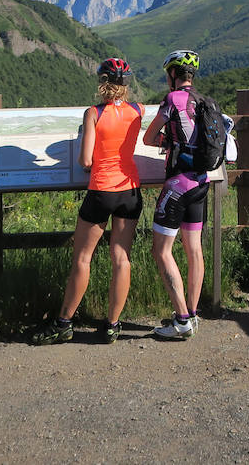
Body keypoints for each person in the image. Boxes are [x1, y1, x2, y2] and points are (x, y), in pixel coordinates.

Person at [34, 58, 143, 344]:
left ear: (102, 81)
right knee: (122, 258)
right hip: (130, 190)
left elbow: (85, 160)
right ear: (126, 83)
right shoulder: (138, 111)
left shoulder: (93, 113)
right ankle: (113, 325)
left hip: (101, 190)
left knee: (83, 258)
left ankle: (64, 323)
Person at [143, 48, 209, 339]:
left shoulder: (172, 99)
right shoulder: (205, 101)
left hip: (178, 184)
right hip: (201, 182)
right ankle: (192, 315)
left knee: (161, 250)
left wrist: (165, 139)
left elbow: (147, 137)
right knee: (193, 249)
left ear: (172, 74)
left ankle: (181, 320)